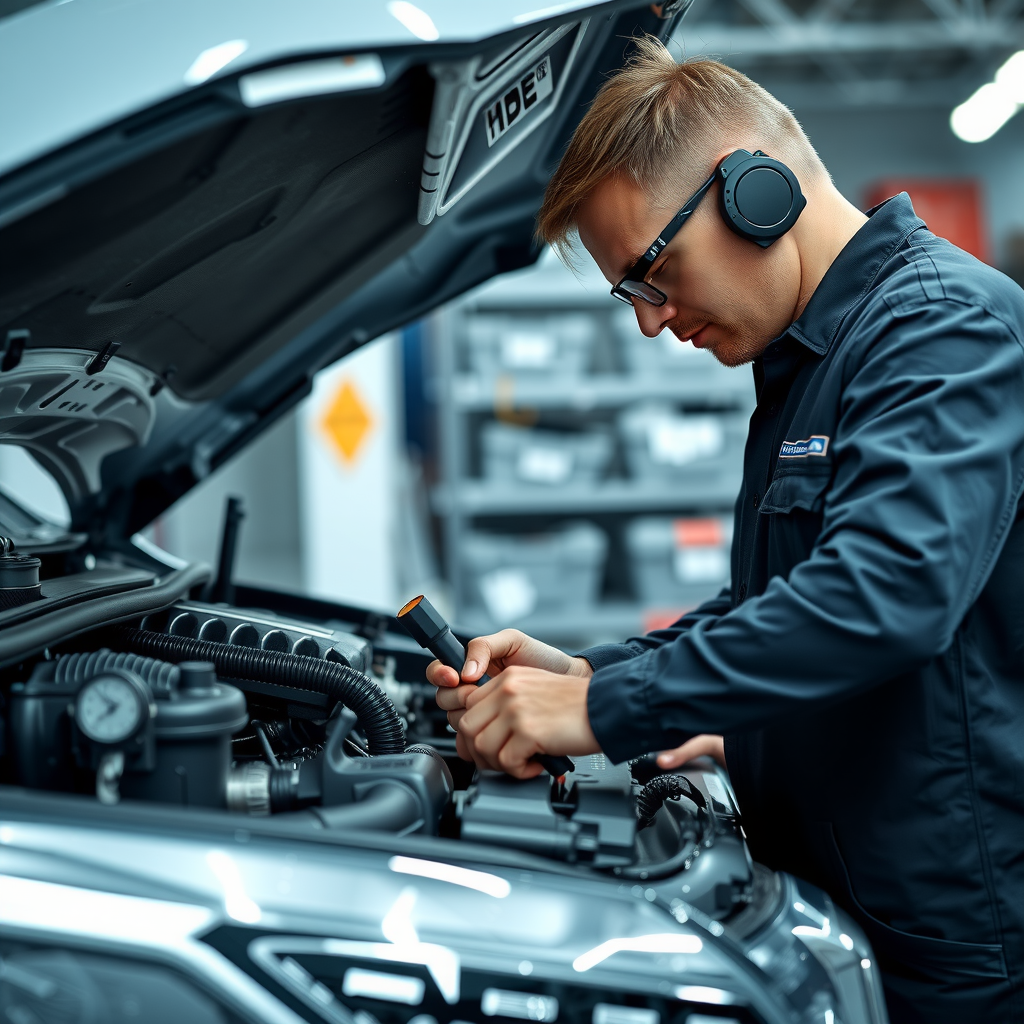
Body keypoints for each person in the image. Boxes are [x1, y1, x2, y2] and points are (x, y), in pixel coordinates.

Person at [427, 36, 1024, 1023]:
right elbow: (776, 601)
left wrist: (603, 715)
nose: (651, 323)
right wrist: (596, 674)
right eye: (631, 294)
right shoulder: (810, 363)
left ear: (755, 193)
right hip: (847, 907)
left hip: (953, 944)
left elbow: (883, 598)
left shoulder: (940, 332)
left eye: (651, 275)